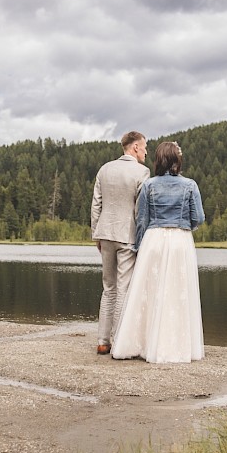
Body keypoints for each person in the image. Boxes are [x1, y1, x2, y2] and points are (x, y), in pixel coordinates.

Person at [111, 141, 205, 363]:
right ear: (177, 160)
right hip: (180, 240)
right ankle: (177, 347)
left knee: (151, 292)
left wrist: (139, 247)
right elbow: (198, 218)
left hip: (154, 239)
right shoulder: (190, 185)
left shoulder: (149, 185)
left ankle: (143, 343)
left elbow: (141, 219)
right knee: (177, 292)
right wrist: (183, 225)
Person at [90, 131, 150, 355]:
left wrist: (96, 233)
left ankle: (102, 340)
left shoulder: (105, 169)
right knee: (123, 288)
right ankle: (118, 341)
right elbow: (139, 210)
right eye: (144, 147)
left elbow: (96, 204)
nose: (146, 151)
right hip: (127, 235)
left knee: (108, 288)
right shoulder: (142, 172)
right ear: (134, 147)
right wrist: (141, 238)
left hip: (105, 233)